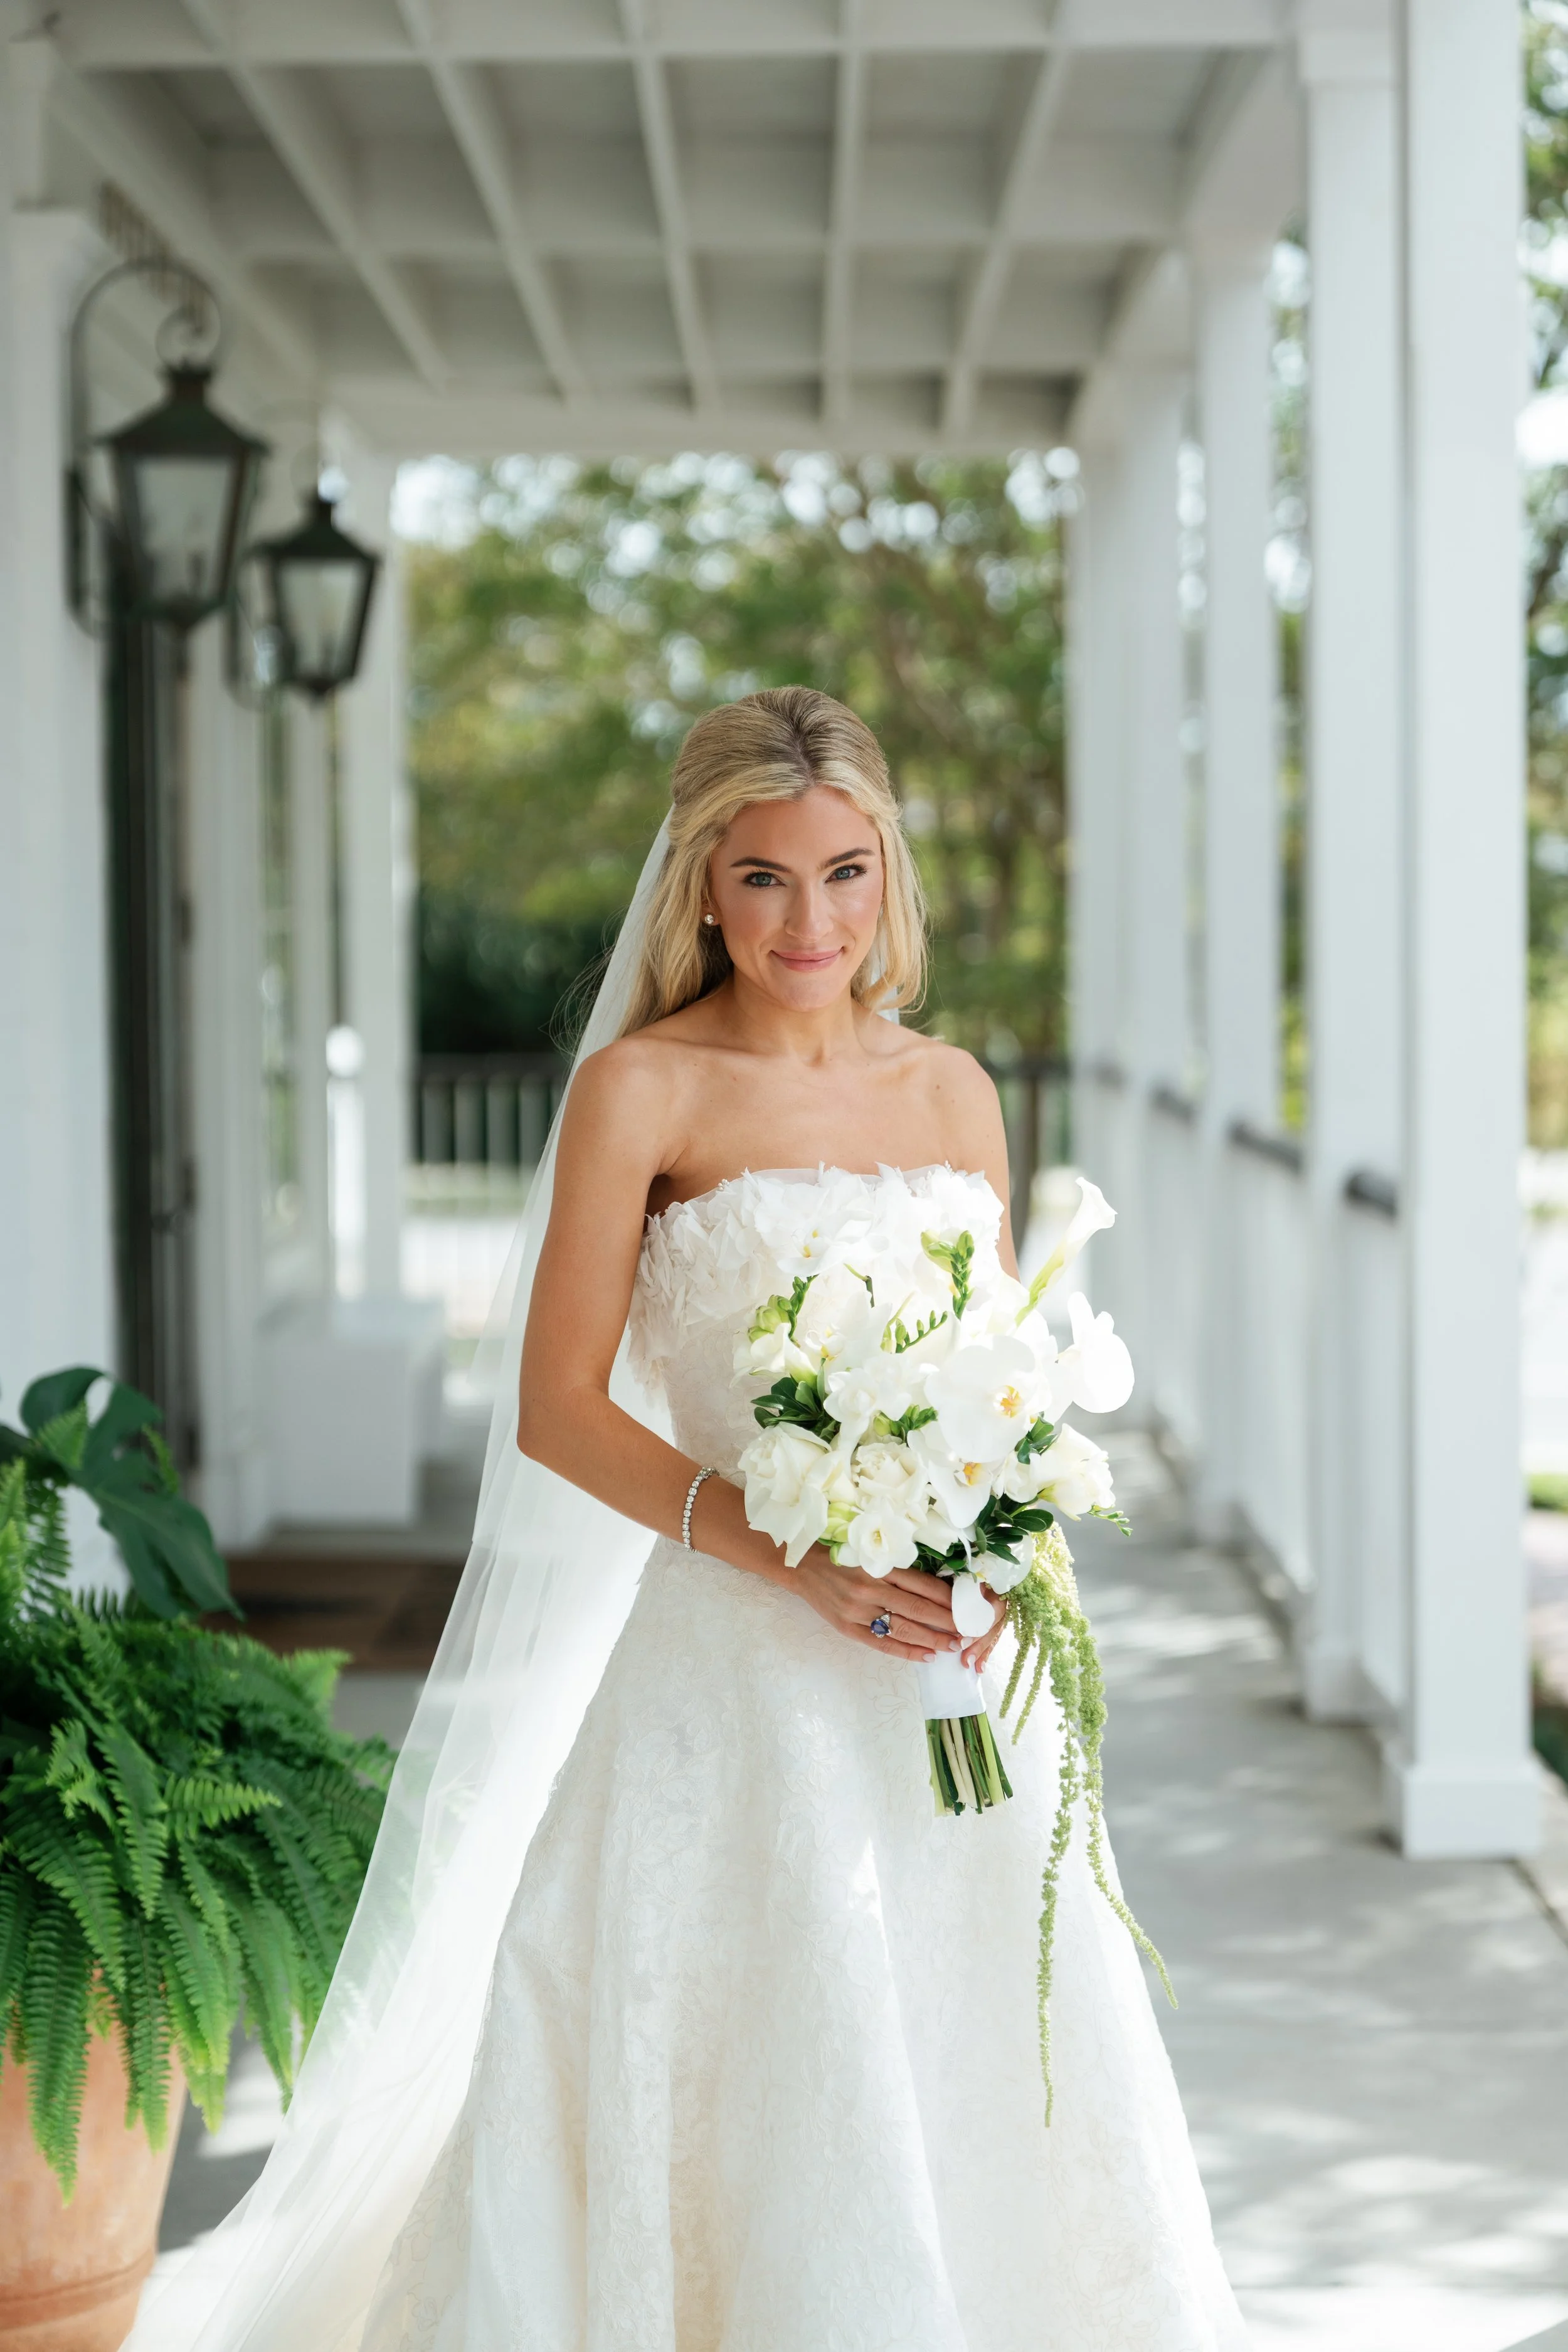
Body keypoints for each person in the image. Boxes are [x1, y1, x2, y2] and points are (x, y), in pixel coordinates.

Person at [132, 687, 1245, 2352]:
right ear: (700, 888)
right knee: (750, 2046)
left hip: (937, 1667)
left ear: (892, 874)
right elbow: (559, 1405)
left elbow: (990, 1383)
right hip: (733, 1664)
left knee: (978, 2029)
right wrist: (791, 1555)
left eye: (847, 873)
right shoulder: (641, 1092)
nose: (813, 923)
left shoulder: (952, 1094)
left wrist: (993, 1552)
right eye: (766, 880)